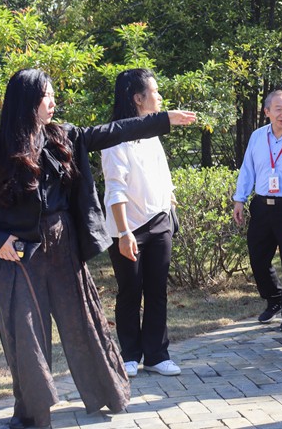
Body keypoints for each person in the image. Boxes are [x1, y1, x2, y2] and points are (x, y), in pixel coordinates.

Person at [0, 69, 196, 429]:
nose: (53, 102)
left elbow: (113, 131)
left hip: (62, 244)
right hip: (19, 251)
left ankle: (107, 392)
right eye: (47, 96)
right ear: (27, 100)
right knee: (27, 332)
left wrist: (163, 120)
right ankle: (32, 413)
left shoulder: (63, 135)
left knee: (82, 322)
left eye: (53, 95)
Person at [102, 69, 183, 379]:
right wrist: (124, 232)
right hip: (128, 228)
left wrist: (169, 202)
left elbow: (161, 173)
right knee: (130, 291)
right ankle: (129, 356)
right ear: (138, 98)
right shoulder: (115, 137)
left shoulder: (152, 134)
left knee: (157, 291)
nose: (159, 97)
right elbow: (115, 189)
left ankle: (157, 355)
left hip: (160, 221)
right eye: (155, 92)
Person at [233, 90, 282, 331]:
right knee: (258, 257)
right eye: (278, 109)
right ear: (266, 112)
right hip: (262, 205)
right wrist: (240, 199)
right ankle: (273, 298)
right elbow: (247, 169)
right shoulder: (257, 137)